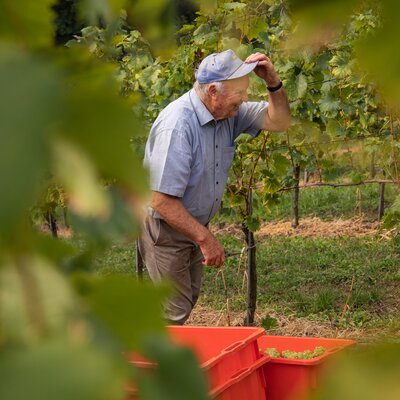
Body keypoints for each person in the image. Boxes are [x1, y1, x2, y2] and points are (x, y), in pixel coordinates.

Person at [138, 49, 291, 325]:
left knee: (186, 301)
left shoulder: (227, 114)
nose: (245, 99)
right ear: (212, 91)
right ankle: (148, 363)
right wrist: (205, 238)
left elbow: (279, 121)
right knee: (173, 312)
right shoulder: (178, 126)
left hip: (191, 225)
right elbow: (160, 200)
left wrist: (273, 82)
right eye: (240, 93)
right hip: (166, 230)